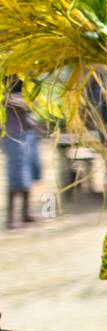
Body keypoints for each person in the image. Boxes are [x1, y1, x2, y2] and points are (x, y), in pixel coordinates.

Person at [4, 82, 39, 229]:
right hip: (13, 133)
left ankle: (25, 214)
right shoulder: (5, 76)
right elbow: (6, 98)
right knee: (16, 174)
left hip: (28, 132)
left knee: (28, 173)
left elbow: (34, 102)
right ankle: (11, 219)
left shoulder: (26, 78)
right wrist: (23, 102)